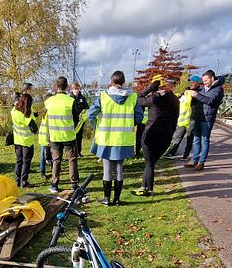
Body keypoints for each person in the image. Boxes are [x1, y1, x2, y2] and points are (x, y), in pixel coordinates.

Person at [88, 70, 143, 205]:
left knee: (107, 169)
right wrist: (129, 124)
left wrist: (97, 128)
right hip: (124, 139)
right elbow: (139, 117)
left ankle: (106, 199)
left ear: (111, 82)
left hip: (106, 138)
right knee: (119, 169)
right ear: (123, 82)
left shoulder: (103, 96)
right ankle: (117, 199)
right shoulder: (133, 97)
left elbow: (91, 114)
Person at [133, 75, 179, 196]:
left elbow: (137, 98)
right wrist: (171, 134)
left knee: (149, 163)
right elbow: (175, 120)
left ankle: (150, 190)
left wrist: (148, 88)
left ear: (154, 86)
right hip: (166, 136)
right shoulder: (174, 100)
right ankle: (144, 187)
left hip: (151, 134)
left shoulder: (153, 99)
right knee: (151, 163)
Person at [44, 77, 80, 193]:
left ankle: (54, 184)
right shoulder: (70, 101)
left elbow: (47, 118)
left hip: (54, 136)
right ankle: (74, 184)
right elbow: (76, 118)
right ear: (67, 86)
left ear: (56, 86)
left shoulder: (49, 101)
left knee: (56, 160)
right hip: (68, 135)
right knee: (72, 160)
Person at [186, 70, 224, 171]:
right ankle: (194, 161)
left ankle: (201, 163)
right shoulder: (202, 89)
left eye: (206, 81)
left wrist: (196, 95)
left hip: (207, 119)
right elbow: (198, 99)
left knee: (204, 140)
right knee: (196, 140)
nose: (205, 83)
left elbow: (210, 101)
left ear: (212, 78)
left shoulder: (218, 89)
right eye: (203, 81)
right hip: (198, 117)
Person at [163, 75, 202, 160]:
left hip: (193, 118)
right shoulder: (186, 91)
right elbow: (180, 100)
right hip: (183, 118)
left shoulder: (200, 92)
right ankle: (171, 153)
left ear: (198, 83)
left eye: (193, 82)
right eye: (190, 82)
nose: (191, 83)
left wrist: (195, 95)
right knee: (177, 136)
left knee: (189, 137)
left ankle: (186, 155)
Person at [10, 92, 38, 188]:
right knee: (26, 162)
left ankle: (17, 181)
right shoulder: (26, 116)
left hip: (17, 141)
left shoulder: (14, 112)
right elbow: (34, 128)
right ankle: (24, 181)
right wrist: (33, 115)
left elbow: (16, 108)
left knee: (19, 161)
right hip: (27, 142)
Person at [70, 82, 89, 156]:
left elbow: (86, 107)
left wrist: (84, 116)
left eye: (78, 89)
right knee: (72, 138)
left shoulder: (82, 98)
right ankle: (73, 152)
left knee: (79, 137)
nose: (76, 90)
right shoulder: (70, 98)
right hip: (72, 121)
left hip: (80, 122)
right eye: (75, 89)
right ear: (72, 89)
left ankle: (79, 152)